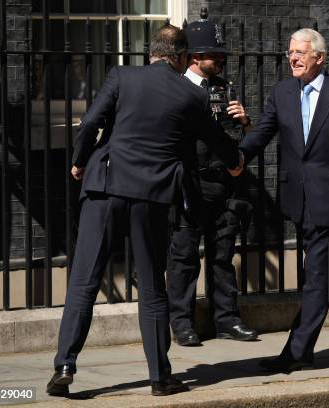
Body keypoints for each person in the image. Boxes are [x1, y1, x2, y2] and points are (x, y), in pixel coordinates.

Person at [46, 25, 241, 397]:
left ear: (150, 53)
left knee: (84, 280)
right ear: (181, 57)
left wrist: (78, 160)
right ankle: (159, 376)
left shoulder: (122, 76)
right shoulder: (191, 95)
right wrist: (236, 162)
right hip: (151, 196)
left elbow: (90, 122)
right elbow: (216, 140)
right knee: (152, 287)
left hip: (104, 185)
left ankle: (65, 363)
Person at [237, 28, 329, 373]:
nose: (293, 58)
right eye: (290, 52)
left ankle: (297, 351)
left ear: (319, 56)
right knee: (325, 272)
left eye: (300, 52)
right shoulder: (282, 92)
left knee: (316, 275)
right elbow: (261, 134)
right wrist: (236, 158)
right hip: (296, 198)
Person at [166, 16, 258, 346]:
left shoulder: (222, 89)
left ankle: (227, 319)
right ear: (194, 57)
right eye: (213, 55)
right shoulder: (175, 88)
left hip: (224, 183)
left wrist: (245, 122)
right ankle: (181, 322)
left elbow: (239, 138)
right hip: (190, 184)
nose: (220, 59)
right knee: (185, 257)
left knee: (222, 256)